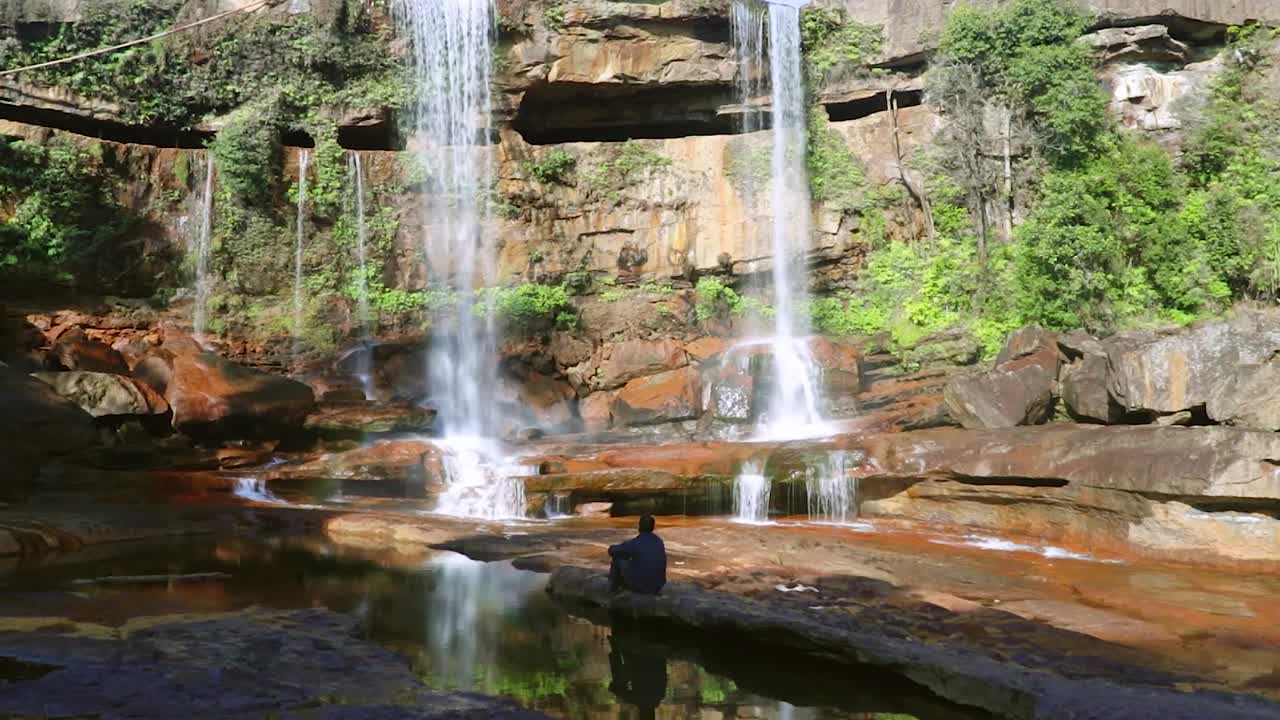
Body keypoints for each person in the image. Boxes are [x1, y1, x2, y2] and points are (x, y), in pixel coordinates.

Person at [608, 514, 666, 594]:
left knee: (618, 558)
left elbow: (612, 551)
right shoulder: (659, 541)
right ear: (653, 527)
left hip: (642, 586)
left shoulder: (636, 542)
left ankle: (612, 591)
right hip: (658, 586)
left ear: (639, 526)